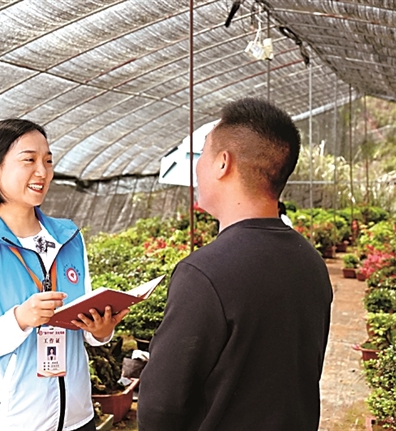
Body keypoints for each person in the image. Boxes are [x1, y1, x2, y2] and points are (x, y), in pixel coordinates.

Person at [138, 98, 333, 431]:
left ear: (222, 163)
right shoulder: (311, 262)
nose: (197, 169)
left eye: (202, 155)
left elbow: (160, 406)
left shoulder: (204, 274)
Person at [0, 119, 128, 431]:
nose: (42, 172)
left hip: (77, 419)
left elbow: (84, 327)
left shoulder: (69, 238)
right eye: (28, 160)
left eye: (48, 161)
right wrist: (20, 319)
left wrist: (100, 331)